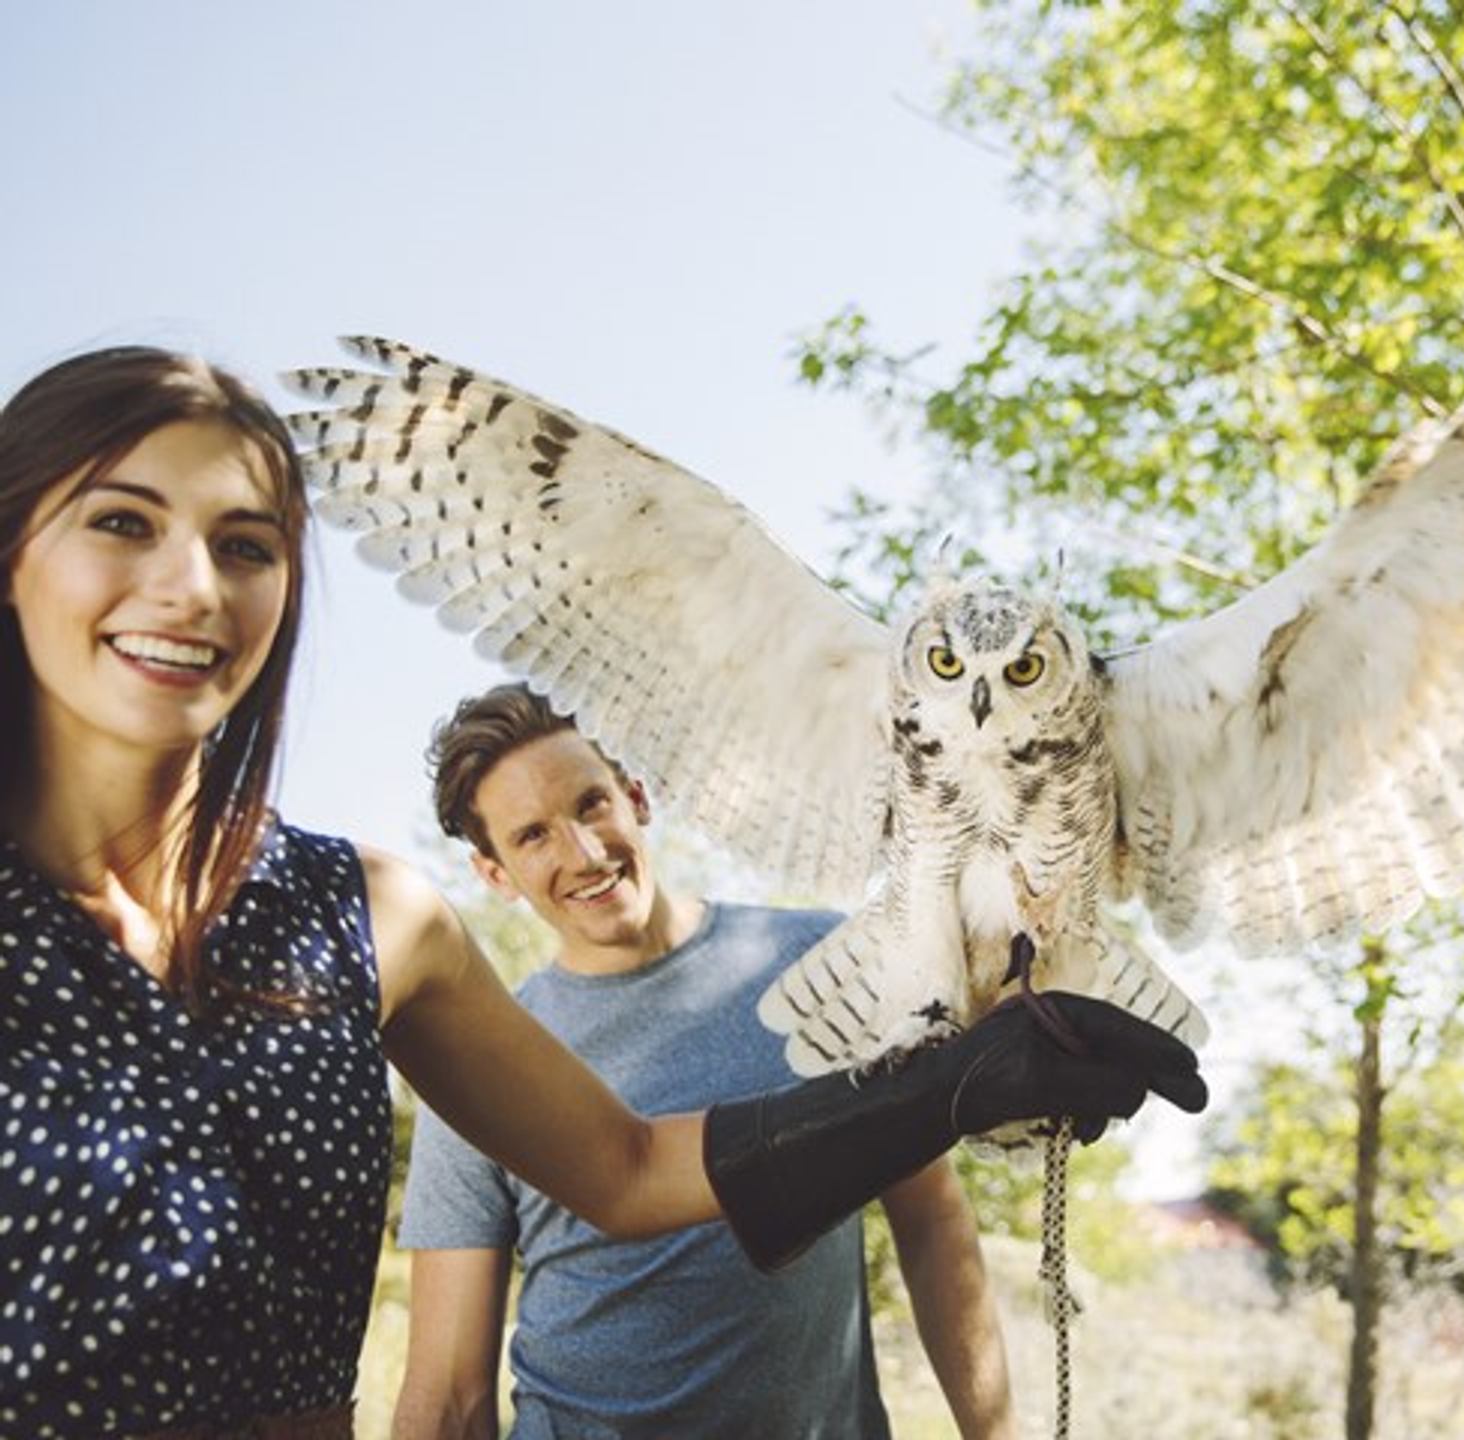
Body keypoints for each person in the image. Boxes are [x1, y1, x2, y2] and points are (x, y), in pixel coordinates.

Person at [0, 346, 1208, 1440]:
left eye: (246, 545)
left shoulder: (363, 915)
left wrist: (948, 1085)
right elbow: (451, 1380)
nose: (194, 588)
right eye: (122, 521)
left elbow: (628, 1170)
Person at [394, 684, 1012, 1438]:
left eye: (591, 805)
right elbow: (451, 1394)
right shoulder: (481, 1059)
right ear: (495, 875)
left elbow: (932, 1219)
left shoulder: (825, 965)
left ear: (636, 797)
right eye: (533, 836)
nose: (583, 854)